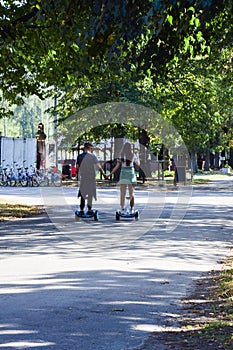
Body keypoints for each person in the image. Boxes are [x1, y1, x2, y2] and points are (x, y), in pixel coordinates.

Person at [107, 141, 139, 213]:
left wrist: (109, 174)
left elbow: (116, 167)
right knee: (132, 193)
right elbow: (138, 164)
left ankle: (122, 208)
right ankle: (132, 208)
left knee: (122, 193)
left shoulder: (121, 155)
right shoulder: (133, 155)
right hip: (131, 173)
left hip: (123, 173)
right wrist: (138, 157)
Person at [76, 142, 107, 215]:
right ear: (90, 148)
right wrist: (104, 174)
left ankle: (81, 210)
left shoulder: (79, 156)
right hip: (91, 177)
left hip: (83, 176)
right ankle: (89, 210)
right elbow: (99, 166)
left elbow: (77, 167)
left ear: (84, 148)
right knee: (90, 193)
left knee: (83, 193)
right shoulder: (93, 156)